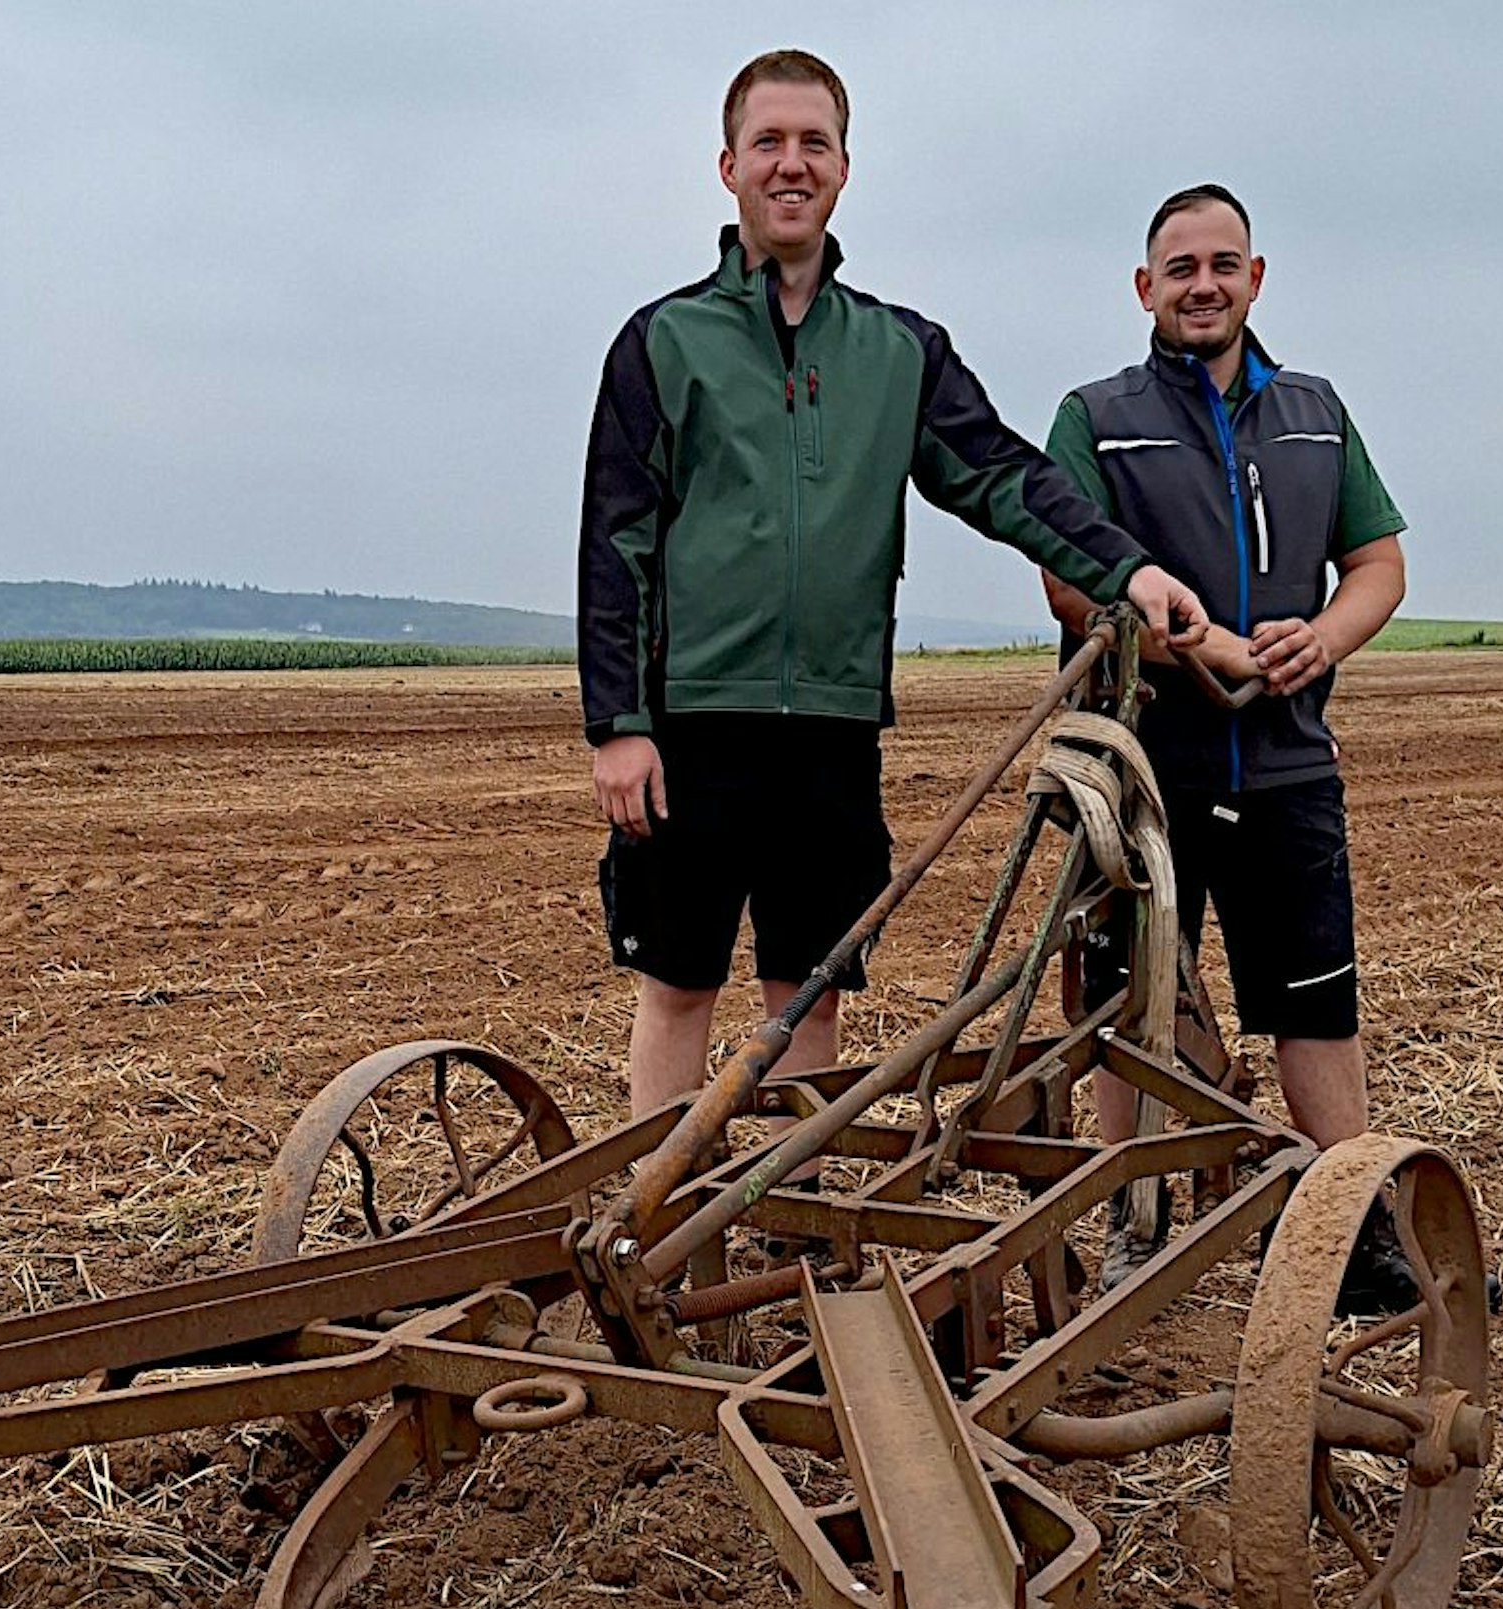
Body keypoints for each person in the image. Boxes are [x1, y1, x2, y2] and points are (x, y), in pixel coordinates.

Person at [578, 49, 1209, 1124]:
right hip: (691, 726)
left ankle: (796, 1229)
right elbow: (615, 545)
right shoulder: (661, 342)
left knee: (808, 990)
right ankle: (654, 1224)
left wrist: (1128, 568)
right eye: (768, 143)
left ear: (842, 166)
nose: (790, 164)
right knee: (679, 982)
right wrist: (617, 726)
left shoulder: (897, 351)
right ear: (727, 167)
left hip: (830, 727)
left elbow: (1006, 476)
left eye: (812, 144)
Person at [1038, 183, 1413, 1304]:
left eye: (1222, 264)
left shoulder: (1312, 411)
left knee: (1312, 1005)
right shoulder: (1095, 414)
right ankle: (1132, 1230)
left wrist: (1318, 638)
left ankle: (1359, 1235)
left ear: (1255, 278)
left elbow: (1378, 561)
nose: (1201, 284)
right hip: (1141, 774)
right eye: (1179, 268)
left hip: (1287, 764)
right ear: (1143, 288)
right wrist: (1191, 642)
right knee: (1124, 1004)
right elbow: (1065, 580)